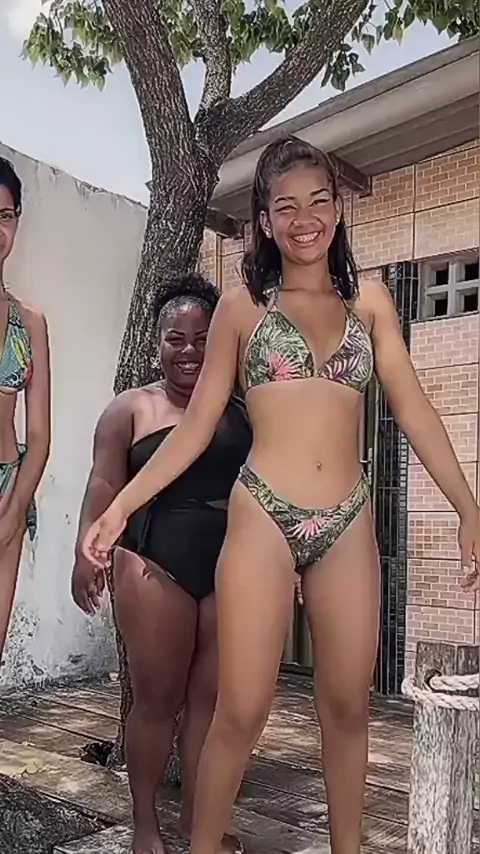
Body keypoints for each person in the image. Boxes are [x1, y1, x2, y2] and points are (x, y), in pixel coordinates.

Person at [82, 137, 480, 854]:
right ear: (264, 220)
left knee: (347, 708)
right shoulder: (241, 308)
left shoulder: (371, 302)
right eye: (286, 206)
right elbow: (196, 427)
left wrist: (467, 507)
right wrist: (119, 508)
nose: (305, 220)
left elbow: (415, 409)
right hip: (263, 512)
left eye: (318, 201)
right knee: (241, 710)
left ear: (339, 207)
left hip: (347, 516)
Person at [72, 272, 251, 854]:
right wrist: (84, 554)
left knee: (210, 702)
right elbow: (103, 484)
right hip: (153, 561)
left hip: (229, 564)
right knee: (156, 700)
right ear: (157, 343)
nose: (189, 351)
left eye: (202, 338)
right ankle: (145, 824)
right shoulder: (129, 409)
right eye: (177, 339)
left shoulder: (241, 408)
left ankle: (198, 822)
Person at [0, 157, 51, 660]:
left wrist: (15, 512)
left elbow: (39, 436)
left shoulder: (29, 322)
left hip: (6, 488)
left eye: (5, 215)